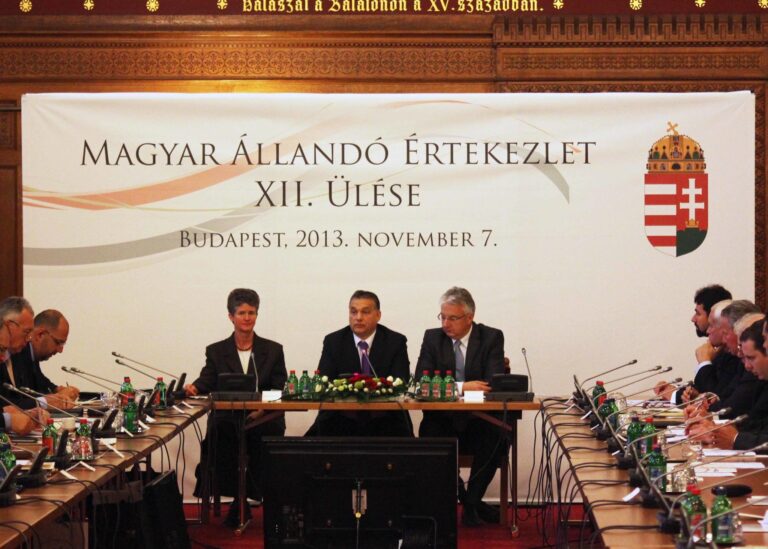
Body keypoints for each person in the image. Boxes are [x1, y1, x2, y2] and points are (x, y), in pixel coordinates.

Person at [185, 288, 287, 528]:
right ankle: (238, 500)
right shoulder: (216, 351)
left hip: (263, 417)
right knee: (221, 437)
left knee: (261, 436)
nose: (247, 318)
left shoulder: (273, 350)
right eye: (242, 313)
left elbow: (279, 387)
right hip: (227, 417)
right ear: (231, 316)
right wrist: (194, 388)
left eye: (252, 312)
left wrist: (261, 409)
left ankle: (249, 499)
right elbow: (207, 379)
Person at [415, 287, 505, 527]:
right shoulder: (432, 338)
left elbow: (491, 383)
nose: (445, 324)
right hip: (442, 419)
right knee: (429, 437)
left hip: (479, 419)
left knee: (498, 435)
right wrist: (462, 387)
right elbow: (422, 383)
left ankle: (471, 502)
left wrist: (447, 389)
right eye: (442, 317)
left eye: (452, 318)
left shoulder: (491, 337)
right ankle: (468, 500)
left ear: (469, 317)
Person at [310, 290, 412, 437]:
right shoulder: (334, 341)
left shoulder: (395, 341)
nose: (358, 317)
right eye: (353, 312)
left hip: (385, 418)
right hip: (341, 417)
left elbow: (400, 381)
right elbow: (324, 381)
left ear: (378, 315)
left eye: (365, 312)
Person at [654, 284, 732, 401]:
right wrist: (675, 392)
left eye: (698, 313)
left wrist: (704, 362)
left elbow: (715, 396)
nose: (693, 319)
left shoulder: (733, 355)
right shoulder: (715, 350)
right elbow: (701, 389)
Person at [7, 310, 79, 410]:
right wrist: (48, 400)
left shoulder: (32, 355)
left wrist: (57, 390)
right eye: (58, 342)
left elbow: (40, 381)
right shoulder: (17, 352)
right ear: (40, 334)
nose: (60, 350)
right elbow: (17, 398)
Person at [0, 299, 47, 435]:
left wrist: (24, 412)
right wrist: (8, 419)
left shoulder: (18, 354)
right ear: (9, 326)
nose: (29, 339)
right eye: (26, 332)